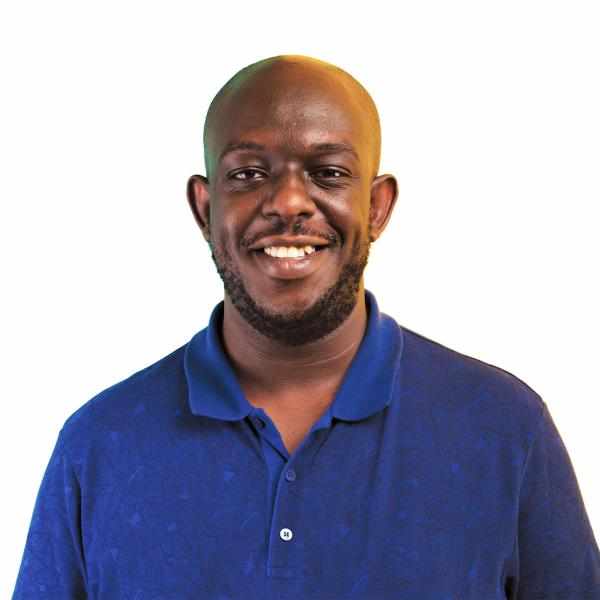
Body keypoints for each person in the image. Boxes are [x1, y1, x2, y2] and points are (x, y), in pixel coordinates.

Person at [12, 54, 600, 599]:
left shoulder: (503, 429)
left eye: (327, 172)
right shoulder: (99, 446)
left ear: (376, 208)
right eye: (247, 174)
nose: (289, 201)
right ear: (204, 207)